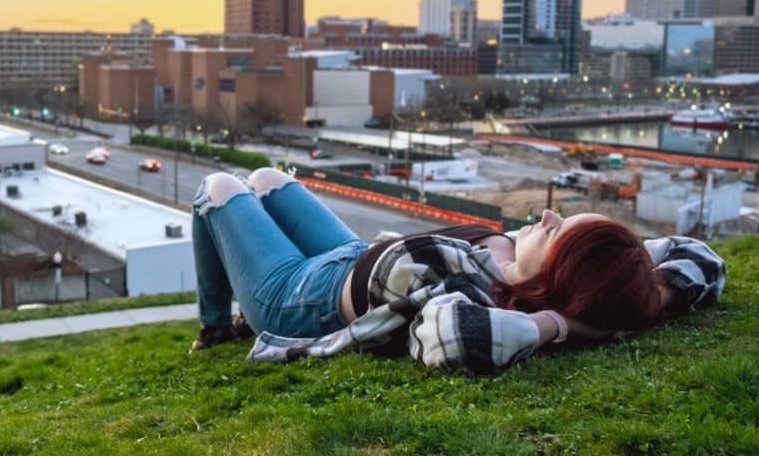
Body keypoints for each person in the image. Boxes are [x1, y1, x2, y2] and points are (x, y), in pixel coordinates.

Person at [190, 167, 726, 373]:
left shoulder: (478, 297)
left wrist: (564, 325)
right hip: (347, 255)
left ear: (560, 274)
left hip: (301, 298)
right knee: (265, 179)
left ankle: (216, 324)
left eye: (558, 229)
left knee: (216, 189)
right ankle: (225, 311)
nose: (546, 214)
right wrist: (652, 296)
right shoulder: (529, 254)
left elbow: (450, 341)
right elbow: (703, 258)